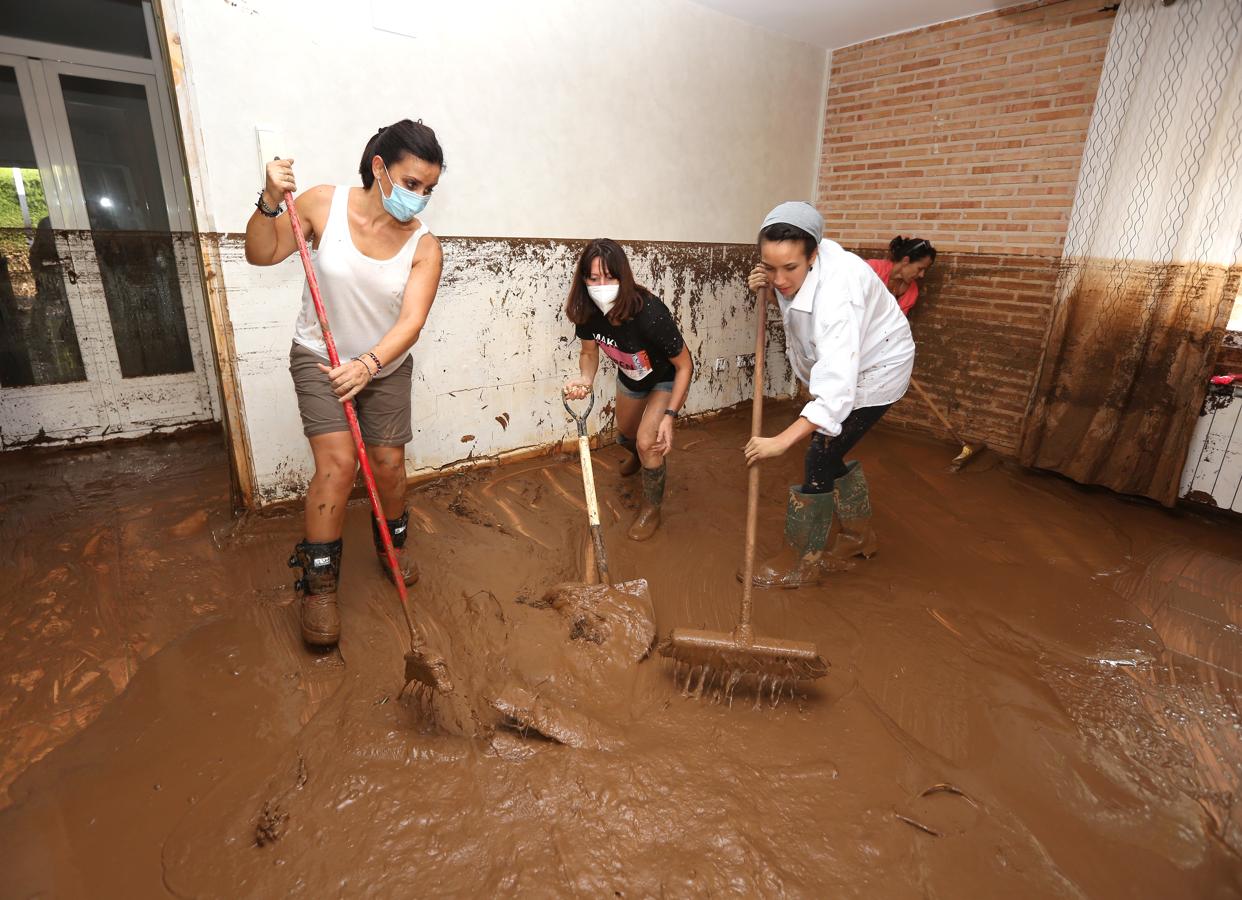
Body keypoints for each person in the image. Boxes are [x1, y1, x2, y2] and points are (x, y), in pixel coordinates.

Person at [244, 120, 445, 648]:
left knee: (388, 464)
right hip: (321, 357)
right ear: (379, 168)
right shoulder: (320, 204)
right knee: (338, 465)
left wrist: (370, 364)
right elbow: (261, 254)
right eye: (411, 183)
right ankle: (319, 583)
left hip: (384, 365)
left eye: (428, 189)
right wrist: (268, 201)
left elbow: (411, 322)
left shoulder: (425, 246)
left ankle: (390, 544)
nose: (419, 198)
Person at [742, 202, 915, 588]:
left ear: (814, 254)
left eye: (790, 268)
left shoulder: (840, 295)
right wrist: (770, 290)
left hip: (876, 370)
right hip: (847, 359)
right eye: (770, 266)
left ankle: (801, 558)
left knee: (819, 453)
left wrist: (780, 441)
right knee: (831, 448)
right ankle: (858, 536)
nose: (781, 276)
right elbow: (795, 302)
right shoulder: (796, 269)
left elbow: (837, 393)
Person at [562, 239, 693, 541]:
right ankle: (638, 454)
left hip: (665, 377)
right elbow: (589, 353)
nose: (601, 285)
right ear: (584, 279)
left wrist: (670, 415)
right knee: (626, 434)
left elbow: (685, 365)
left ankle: (652, 509)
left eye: (609, 277)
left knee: (649, 441)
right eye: (593, 278)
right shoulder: (587, 311)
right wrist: (585, 379)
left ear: (623, 277)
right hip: (631, 378)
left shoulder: (649, 313)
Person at [866, 235, 936, 316]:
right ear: (906, 261)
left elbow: (897, 322)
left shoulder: (912, 291)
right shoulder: (872, 268)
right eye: (920, 269)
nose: (922, 275)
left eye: (925, 270)